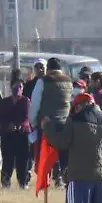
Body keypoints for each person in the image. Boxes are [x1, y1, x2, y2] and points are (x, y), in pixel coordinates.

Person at [32, 57, 73, 186]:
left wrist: (33, 121)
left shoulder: (43, 81)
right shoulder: (69, 81)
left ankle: (47, 181)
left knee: (47, 155)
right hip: (65, 123)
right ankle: (64, 179)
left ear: (48, 69)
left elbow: (35, 104)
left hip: (47, 123)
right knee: (63, 154)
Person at [0, 79, 31, 189]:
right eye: (15, 86)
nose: (17, 89)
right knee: (7, 158)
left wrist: (20, 125)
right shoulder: (5, 102)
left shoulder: (25, 101)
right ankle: (5, 181)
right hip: (7, 134)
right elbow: (1, 117)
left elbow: (27, 117)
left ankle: (23, 182)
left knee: (22, 159)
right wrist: (8, 125)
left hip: (22, 134)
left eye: (20, 87)